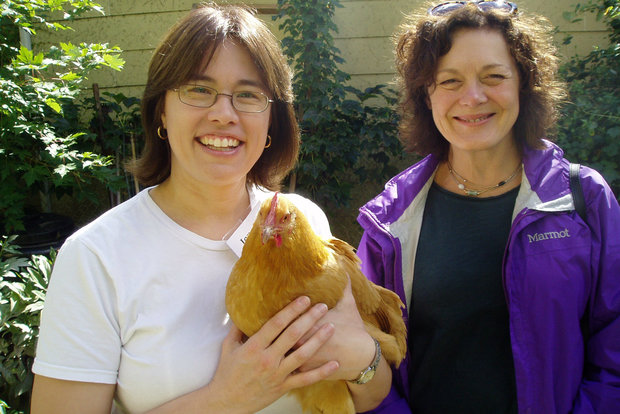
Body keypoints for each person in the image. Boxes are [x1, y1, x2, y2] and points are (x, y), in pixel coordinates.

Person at [30, 4, 392, 413]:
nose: (224, 114)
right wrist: (225, 399)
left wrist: (363, 359)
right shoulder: (97, 257)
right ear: (161, 111)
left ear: (272, 123)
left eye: (248, 95)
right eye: (199, 90)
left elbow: (368, 393)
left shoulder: (301, 222)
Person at [356, 1, 620, 413]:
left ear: (523, 84)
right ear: (427, 94)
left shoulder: (581, 198)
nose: (473, 97)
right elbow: (368, 351)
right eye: (450, 81)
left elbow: (615, 344)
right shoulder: (390, 219)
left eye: (493, 77)